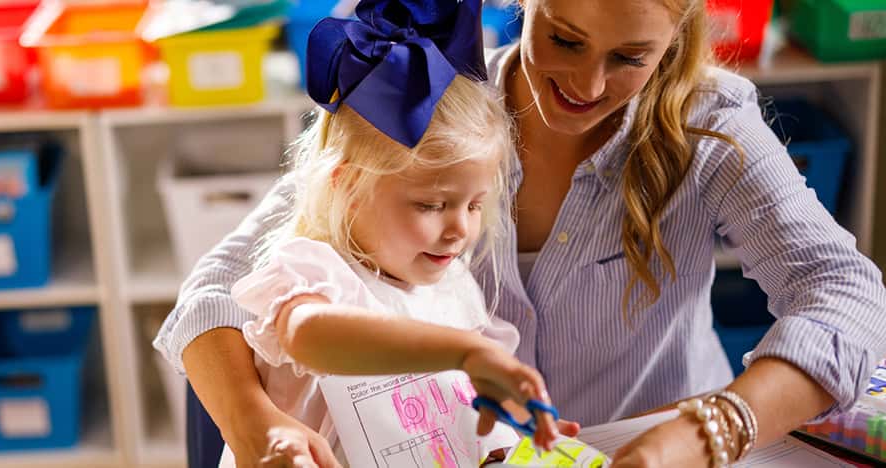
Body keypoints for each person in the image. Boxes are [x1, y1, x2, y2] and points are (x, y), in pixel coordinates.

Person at [155, 0, 886, 466]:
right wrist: (256, 425)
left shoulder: (710, 124)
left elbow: (844, 292)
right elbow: (217, 289)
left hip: (645, 446)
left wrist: (712, 429)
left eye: (630, 57)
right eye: (563, 38)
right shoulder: (435, 116)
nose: (587, 86)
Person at [218, 0, 576, 465]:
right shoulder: (315, 271)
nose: (459, 229)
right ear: (347, 186)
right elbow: (308, 336)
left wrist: (515, 427)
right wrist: (465, 352)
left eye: (474, 204)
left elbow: (456, 412)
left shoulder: (451, 286)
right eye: (431, 205)